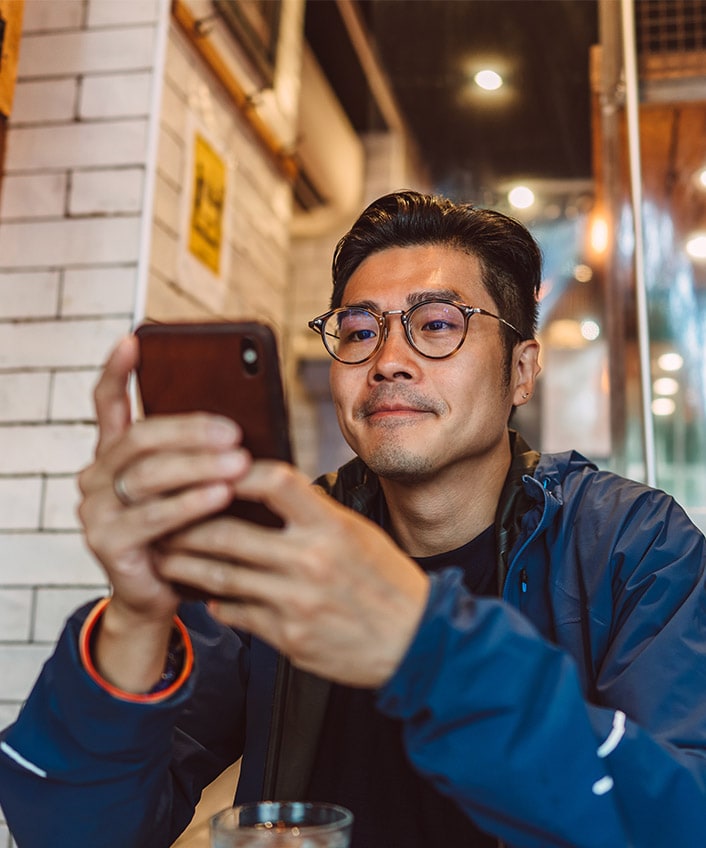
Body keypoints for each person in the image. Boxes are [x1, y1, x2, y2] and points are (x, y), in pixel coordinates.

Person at [1, 190, 705, 848]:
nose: (388, 362)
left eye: (436, 324)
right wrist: (135, 614)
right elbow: (73, 830)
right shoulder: (282, 544)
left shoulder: (632, 544)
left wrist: (423, 645)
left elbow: (683, 815)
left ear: (521, 371)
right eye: (359, 330)